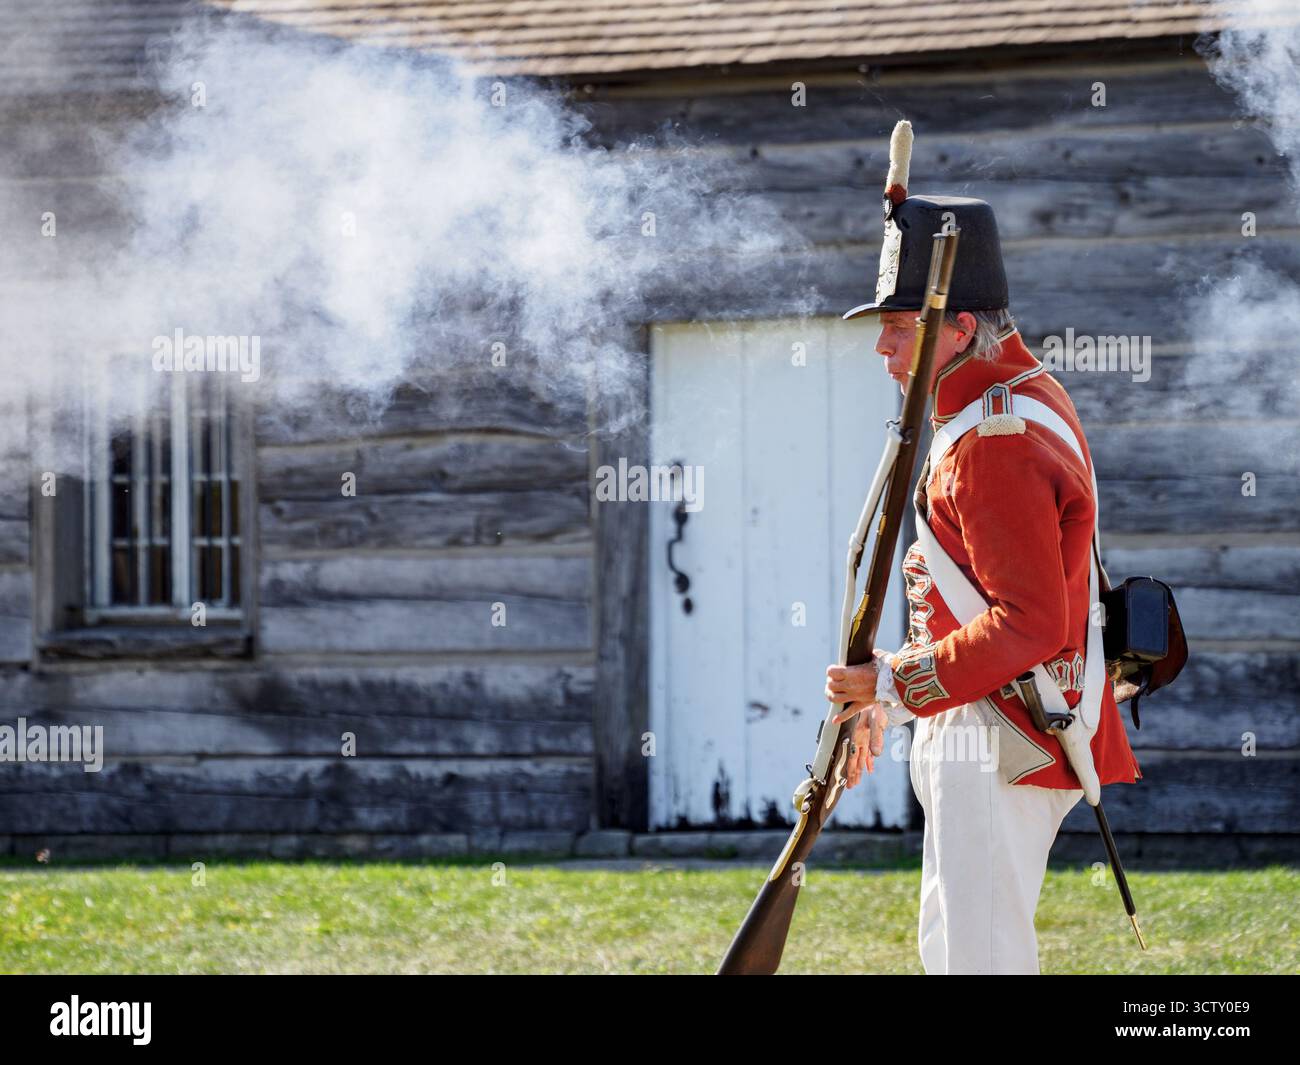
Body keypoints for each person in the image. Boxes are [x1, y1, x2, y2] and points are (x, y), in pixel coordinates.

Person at [824, 121, 1141, 975]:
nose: (883, 346)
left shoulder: (994, 437)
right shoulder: (1002, 400)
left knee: (982, 962)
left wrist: (895, 681)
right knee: (957, 950)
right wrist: (894, 699)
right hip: (985, 720)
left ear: (957, 326)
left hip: (999, 730)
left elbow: (1028, 620)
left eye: (897, 326)